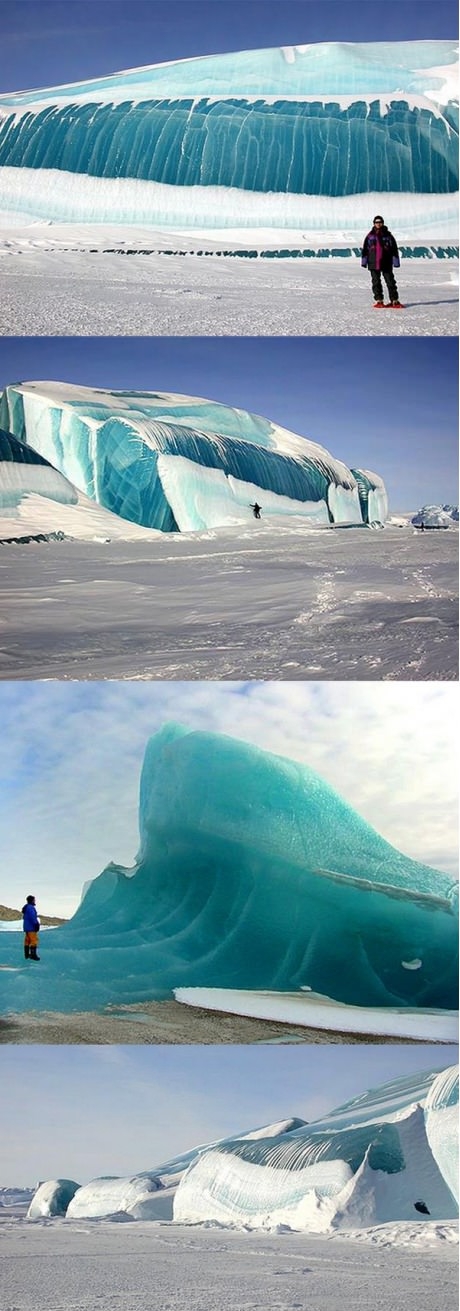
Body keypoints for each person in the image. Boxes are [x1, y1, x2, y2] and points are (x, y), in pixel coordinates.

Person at [361, 216, 402, 308]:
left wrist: (396, 262)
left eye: (380, 222)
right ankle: (379, 300)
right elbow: (365, 250)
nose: (378, 224)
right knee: (376, 282)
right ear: (374, 223)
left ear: (382, 223)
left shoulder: (388, 235)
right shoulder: (370, 236)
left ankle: (394, 300)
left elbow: (394, 249)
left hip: (386, 262)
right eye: (376, 222)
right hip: (373, 262)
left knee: (390, 281)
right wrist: (364, 262)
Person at [22, 894, 40, 961]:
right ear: (31, 900)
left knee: (27, 941)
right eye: (34, 900)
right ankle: (33, 955)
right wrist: (36, 924)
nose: (35, 901)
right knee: (34, 941)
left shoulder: (26, 908)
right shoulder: (30, 908)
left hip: (27, 927)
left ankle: (27, 955)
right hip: (31, 927)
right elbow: (33, 917)